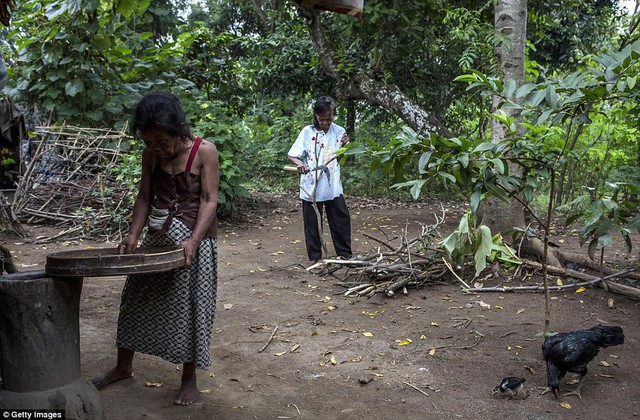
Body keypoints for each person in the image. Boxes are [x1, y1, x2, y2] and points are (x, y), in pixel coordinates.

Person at [91, 92, 219, 406]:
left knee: (190, 307)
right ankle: (123, 367)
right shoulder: (151, 155)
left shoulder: (205, 152)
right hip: (158, 236)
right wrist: (133, 235)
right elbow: (145, 197)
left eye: (162, 142)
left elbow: (209, 201)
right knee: (136, 297)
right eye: (149, 142)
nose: (156, 148)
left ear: (179, 130)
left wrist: (193, 241)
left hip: (195, 241)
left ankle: (188, 379)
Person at [287, 96, 352, 268]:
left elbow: (339, 158)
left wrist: (344, 147)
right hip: (311, 185)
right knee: (313, 223)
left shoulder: (339, 131)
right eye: (322, 119)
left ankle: (344, 255)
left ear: (333, 116)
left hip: (332, 185)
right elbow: (292, 154)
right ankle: (317, 258)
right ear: (316, 116)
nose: (325, 123)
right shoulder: (308, 132)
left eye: (329, 119)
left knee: (341, 218)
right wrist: (300, 164)